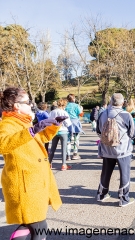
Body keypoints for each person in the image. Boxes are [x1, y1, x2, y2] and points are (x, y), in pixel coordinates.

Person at [0, 87, 64, 240]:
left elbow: (39, 139)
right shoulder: (8, 124)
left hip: (32, 183)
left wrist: (53, 126)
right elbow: (3, 144)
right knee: (39, 227)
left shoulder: (23, 122)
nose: (31, 104)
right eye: (28, 102)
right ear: (17, 106)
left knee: (30, 224)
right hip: (24, 185)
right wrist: (32, 130)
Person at [96, 93, 135, 207]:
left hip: (106, 149)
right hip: (122, 150)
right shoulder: (126, 115)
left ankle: (102, 194)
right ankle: (124, 198)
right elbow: (132, 133)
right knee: (124, 173)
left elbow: (99, 131)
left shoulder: (103, 114)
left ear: (110, 102)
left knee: (106, 173)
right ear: (123, 103)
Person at [48, 98, 73, 170]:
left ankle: (49, 163)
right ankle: (63, 165)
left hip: (55, 131)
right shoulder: (64, 112)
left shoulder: (52, 112)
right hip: (63, 131)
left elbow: (49, 121)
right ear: (64, 105)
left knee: (53, 148)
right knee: (64, 148)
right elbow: (68, 124)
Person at [65, 94, 83, 160]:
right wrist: (82, 109)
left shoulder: (65, 106)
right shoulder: (76, 106)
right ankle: (75, 154)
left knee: (68, 139)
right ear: (74, 99)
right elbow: (81, 114)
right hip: (75, 123)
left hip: (67, 123)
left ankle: (68, 155)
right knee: (76, 139)